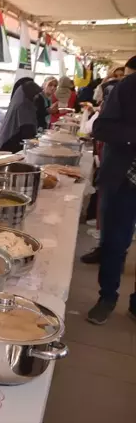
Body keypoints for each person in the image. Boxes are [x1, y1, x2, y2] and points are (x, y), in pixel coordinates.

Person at [86, 73, 136, 325]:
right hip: (125, 179)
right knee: (115, 243)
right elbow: (101, 127)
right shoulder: (128, 86)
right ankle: (107, 298)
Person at [0, 79, 43, 153]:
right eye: (36, 94)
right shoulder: (23, 106)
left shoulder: (18, 102)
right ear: (29, 94)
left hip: (5, 143)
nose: (37, 97)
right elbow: (28, 133)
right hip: (8, 148)